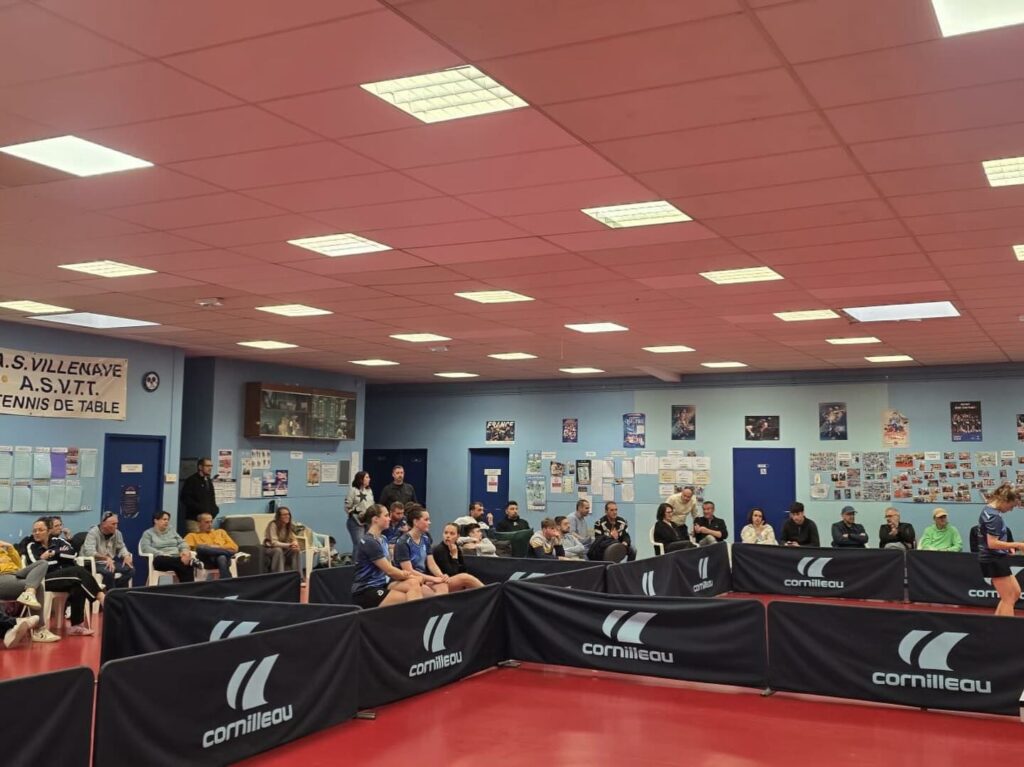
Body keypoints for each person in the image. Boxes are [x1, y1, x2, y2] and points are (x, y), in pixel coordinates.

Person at [26, 517, 102, 635]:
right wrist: (59, 556)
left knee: (77, 585)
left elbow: (73, 553)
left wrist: (53, 553)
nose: (36, 533)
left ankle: (76, 626)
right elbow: (36, 564)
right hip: (45, 579)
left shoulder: (58, 541)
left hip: (66, 577)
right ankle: (102, 598)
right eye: (34, 530)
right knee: (78, 572)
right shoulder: (31, 546)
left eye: (40, 530)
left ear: (49, 531)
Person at [351, 504, 424, 609]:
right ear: (375, 519)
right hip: (366, 590)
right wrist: (411, 576)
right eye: (386, 516)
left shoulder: (384, 539)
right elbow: (390, 571)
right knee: (406, 599)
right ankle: (415, 617)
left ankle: (416, 616)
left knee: (413, 583)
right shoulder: (369, 542)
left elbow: (391, 569)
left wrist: (412, 578)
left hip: (383, 584)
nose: (389, 518)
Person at [395, 507, 482, 593]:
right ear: (416, 522)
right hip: (408, 580)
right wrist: (434, 578)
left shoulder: (425, 539)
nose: (429, 522)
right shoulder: (403, 542)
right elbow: (409, 571)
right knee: (441, 586)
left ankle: (488, 595)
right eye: (426, 520)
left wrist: (441, 576)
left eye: (452, 533)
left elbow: (431, 564)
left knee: (447, 583)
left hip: (424, 579)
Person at [977, 484, 1023, 617]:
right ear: (1005, 500)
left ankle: (996, 624)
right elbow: (992, 543)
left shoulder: (989, 509)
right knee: (1008, 598)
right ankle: (1006, 628)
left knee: (1015, 593)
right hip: (992, 559)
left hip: (997, 557)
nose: (1011, 510)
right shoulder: (994, 517)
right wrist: (1018, 545)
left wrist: (1007, 547)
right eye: (1012, 506)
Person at [0, 539, 58, 643]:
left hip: (15, 574)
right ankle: (39, 630)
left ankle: (29, 592)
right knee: (39, 586)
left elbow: (18, 565)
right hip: (2, 578)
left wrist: (10, 547)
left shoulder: (3, 549)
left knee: (42, 563)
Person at [139, 511, 198, 583]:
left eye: (168, 519)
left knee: (184, 563)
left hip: (176, 558)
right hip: (161, 559)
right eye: (164, 519)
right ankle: (190, 563)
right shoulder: (148, 533)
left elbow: (182, 542)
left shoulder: (171, 530)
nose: (167, 521)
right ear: (156, 520)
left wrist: (185, 551)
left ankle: (187, 588)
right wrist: (161, 553)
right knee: (184, 563)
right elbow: (145, 548)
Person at [82, 511, 134, 590]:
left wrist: (126, 556)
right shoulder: (93, 533)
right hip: (94, 562)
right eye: (113, 524)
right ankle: (110, 594)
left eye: (117, 524)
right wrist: (106, 558)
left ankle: (117, 591)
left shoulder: (117, 533)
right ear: (104, 524)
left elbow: (121, 547)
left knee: (130, 570)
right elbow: (89, 552)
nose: (116, 526)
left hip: (109, 562)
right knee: (109, 572)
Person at [185, 512, 239, 579]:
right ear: (199, 524)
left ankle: (226, 581)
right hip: (206, 560)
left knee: (221, 557)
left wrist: (218, 547)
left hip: (223, 560)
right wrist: (210, 547)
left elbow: (235, 547)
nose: (210, 524)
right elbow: (185, 549)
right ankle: (231, 554)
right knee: (200, 547)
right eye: (207, 522)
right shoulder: (192, 536)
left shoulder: (220, 532)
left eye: (211, 522)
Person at [179, 457, 218, 533]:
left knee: (210, 539)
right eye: (207, 466)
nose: (210, 468)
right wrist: (202, 509)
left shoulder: (208, 481)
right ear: (200, 467)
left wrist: (215, 511)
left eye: (211, 466)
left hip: (208, 520)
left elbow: (212, 499)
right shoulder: (191, 480)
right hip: (194, 520)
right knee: (197, 539)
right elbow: (185, 499)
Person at [263, 506, 301, 574]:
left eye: (288, 514)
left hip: (283, 548)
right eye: (284, 514)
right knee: (278, 550)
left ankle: (297, 575)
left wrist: (295, 543)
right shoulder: (273, 525)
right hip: (270, 548)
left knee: (295, 550)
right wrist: (289, 545)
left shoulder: (288, 525)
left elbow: (293, 538)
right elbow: (274, 543)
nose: (287, 516)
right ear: (279, 516)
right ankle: (280, 575)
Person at [344, 471, 374, 554]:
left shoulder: (369, 491)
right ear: (361, 479)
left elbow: (372, 504)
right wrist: (355, 514)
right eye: (367, 477)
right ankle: (356, 562)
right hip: (356, 522)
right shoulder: (353, 490)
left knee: (368, 544)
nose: (369, 479)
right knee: (359, 544)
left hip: (368, 521)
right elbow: (347, 506)